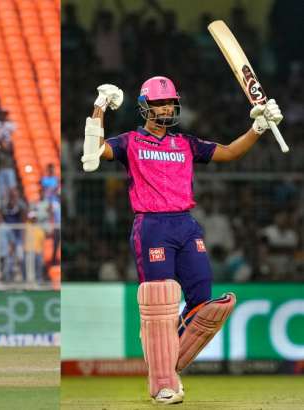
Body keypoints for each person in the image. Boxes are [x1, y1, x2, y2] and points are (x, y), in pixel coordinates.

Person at [81, 77, 282, 404]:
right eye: (161, 103)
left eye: (171, 102)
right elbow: (92, 156)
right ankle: (162, 384)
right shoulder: (130, 141)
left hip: (186, 224)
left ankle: (164, 366)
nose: (168, 108)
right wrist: (100, 106)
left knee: (204, 303)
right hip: (152, 224)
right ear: (146, 106)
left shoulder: (185, 143)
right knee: (160, 304)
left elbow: (230, 153)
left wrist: (259, 126)